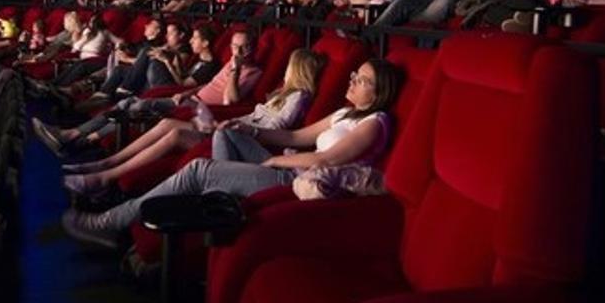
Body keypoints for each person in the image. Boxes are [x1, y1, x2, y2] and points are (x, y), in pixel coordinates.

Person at [61, 58, 399, 248]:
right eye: (354, 73)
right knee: (227, 135)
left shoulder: (375, 121)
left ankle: (110, 222)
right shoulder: (343, 114)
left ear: (379, 90)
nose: (352, 80)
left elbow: (326, 159)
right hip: (288, 165)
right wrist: (251, 130)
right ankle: (217, 213)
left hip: (299, 180)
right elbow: (296, 135)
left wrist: (276, 159)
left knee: (199, 170)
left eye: (362, 79)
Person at [62, 49, 323, 195]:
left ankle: (105, 174)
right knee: (166, 126)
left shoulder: (300, 96)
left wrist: (239, 125)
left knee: (172, 133)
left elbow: (281, 128)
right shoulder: (284, 92)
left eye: (290, 64)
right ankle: (104, 165)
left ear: (297, 68)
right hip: (230, 127)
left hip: (240, 137)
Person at [32, 31, 261, 156]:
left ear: (252, 48)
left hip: (203, 111)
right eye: (234, 46)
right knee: (129, 103)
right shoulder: (228, 62)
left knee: (137, 105)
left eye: (243, 47)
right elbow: (208, 84)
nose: (237, 52)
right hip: (190, 99)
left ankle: (74, 135)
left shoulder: (252, 72)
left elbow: (230, 100)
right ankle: (73, 135)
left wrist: (235, 70)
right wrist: (186, 93)